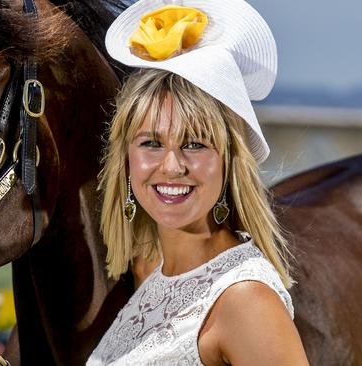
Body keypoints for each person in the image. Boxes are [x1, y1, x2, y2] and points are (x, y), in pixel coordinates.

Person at [87, 0, 310, 364]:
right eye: (151, 143)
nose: (172, 166)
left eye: (194, 144)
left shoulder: (245, 299)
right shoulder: (155, 278)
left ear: (229, 162)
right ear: (125, 161)